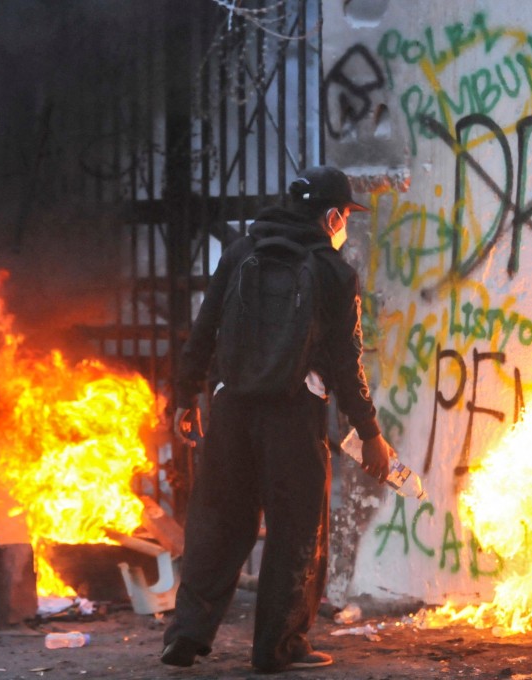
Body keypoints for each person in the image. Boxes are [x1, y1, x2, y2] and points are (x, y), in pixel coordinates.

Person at [161, 165, 396, 672]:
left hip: (230, 410)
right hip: (293, 415)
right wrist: (369, 431)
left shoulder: (239, 253)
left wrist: (184, 396)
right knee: (297, 531)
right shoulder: (334, 272)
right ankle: (278, 647)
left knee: (217, 525)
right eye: (345, 216)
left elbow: (204, 327)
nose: (345, 226)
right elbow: (346, 361)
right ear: (331, 217)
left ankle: (186, 633)